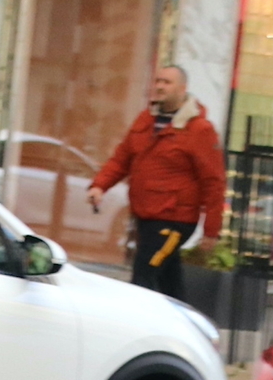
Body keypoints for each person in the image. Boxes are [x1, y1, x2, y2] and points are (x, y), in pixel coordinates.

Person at [88, 64, 225, 303]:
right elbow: (122, 158)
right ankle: (187, 329)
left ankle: (133, 329)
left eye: (167, 82)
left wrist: (211, 230)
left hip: (173, 220)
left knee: (143, 277)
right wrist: (99, 186)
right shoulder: (146, 120)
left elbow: (213, 181)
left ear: (183, 88)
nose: (160, 87)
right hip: (146, 216)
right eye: (158, 81)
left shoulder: (199, 129)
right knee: (169, 284)